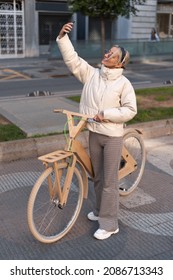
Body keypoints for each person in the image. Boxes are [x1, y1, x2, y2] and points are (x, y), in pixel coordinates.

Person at [56, 22, 137, 240]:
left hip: (112, 136)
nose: (107, 53)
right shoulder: (92, 75)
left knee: (110, 181)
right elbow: (73, 61)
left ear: (119, 62)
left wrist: (107, 113)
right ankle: (101, 211)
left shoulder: (124, 84)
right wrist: (63, 37)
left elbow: (130, 110)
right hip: (93, 132)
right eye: (108, 51)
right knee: (98, 177)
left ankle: (110, 224)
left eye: (112, 54)